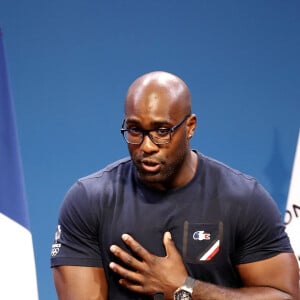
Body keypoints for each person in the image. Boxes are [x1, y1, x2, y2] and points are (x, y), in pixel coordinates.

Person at [50, 71, 299, 300]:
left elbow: (285, 296)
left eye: (161, 130)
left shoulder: (243, 200)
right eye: (135, 130)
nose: (146, 146)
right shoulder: (89, 201)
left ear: (190, 127)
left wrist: (186, 288)